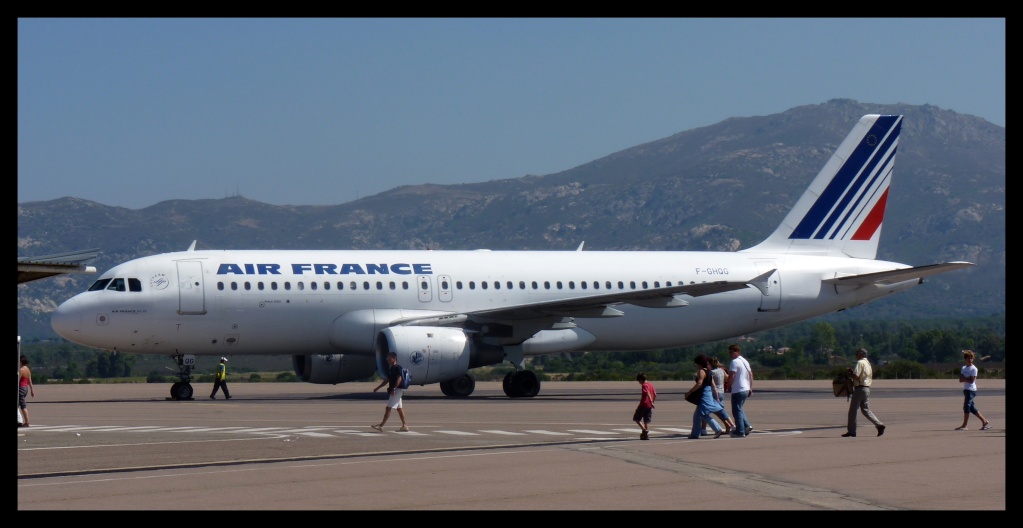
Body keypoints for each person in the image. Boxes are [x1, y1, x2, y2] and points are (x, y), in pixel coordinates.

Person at [843, 348, 885, 437]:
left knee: (852, 412)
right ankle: (879, 425)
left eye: (857, 353)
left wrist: (848, 374)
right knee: (866, 410)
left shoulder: (860, 363)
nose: (856, 355)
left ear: (862, 354)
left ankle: (852, 431)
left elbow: (856, 376)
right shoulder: (868, 363)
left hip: (859, 389)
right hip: (866, 389)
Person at [684, 354, 725, 439]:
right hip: (709, 392)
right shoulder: (709, 371)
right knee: (697, 415)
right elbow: (713, 385)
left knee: (703, 414)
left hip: (704, 394)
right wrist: (716, 396)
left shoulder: (701, 371)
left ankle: (717, 429)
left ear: (699, 363)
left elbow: (699, 383)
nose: (696, 365)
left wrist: (690, 392)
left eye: (697, 363)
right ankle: (695, 433)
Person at [372, 352, 409, 432]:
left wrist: (394, 389)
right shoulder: (391, 368)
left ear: (394, 358)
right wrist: (377, 388)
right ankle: (404, 425)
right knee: (399, 409)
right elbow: (386, 380)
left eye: (389, 358)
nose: (387, 359)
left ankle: (381, 426)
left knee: (388, 408)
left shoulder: (397, 368)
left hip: (396, 390)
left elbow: (399, 379)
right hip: (396, 390)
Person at [956, 350, 991, 431]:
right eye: (968, 358)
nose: (970, 360)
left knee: (966, 406)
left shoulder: (974, 368)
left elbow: (972, 380)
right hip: (965, 389)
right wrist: (966, 378)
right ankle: (984, 421)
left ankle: (964, 425)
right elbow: (960, 379)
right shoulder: (963, 368)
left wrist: (965, 378)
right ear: (965, 359)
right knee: (971, 408)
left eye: (971, 358)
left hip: (971, 390)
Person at [725, 344, 754, 437]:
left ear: (735, 352)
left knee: (736, 411)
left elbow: (732, 375)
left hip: (738, 389)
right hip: (745, 388)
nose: (730, 355)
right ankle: (747, 425)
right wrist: (750, 387)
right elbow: (751, 375)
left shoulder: (735, 362)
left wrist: (728, 385)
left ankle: (740, 431)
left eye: (730, 352)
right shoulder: (745, 361)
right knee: (739, 409)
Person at [709, 357, 735, 434]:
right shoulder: (721, 370)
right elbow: (727, 378)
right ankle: (729, 426)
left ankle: (732, 425)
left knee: (718, 411)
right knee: (721, 410)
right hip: (721, 392)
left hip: (714, 393)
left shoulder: (711, 372)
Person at [633, 372, 656, 440]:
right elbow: (655, 393)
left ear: (641, 380)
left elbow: (647, 393)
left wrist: (651, 402)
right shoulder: (650, 385)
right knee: (646, 420)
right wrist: (652, 402)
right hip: (649, 406)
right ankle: (645, 435)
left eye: (639, 381)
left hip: (643, 404)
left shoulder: (644, 385)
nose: (639, 383)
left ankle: (644, 430)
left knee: (636, 418)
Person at [19, 355, 34, 427]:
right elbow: (30, 381)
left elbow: (18, 380)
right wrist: (32, 390)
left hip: (20, 388)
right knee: (21, 404)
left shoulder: (21, 370)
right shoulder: (28, 369)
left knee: (23, 406)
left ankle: (27, 422)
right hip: (25, 388)